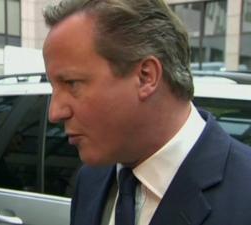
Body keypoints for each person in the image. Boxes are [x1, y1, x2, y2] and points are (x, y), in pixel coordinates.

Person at [42, 0, 251, 225]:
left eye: (72, 83)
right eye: (54, 87)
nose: (55, 113)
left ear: (145, 76)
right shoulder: (90, 180)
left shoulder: (244, 192)